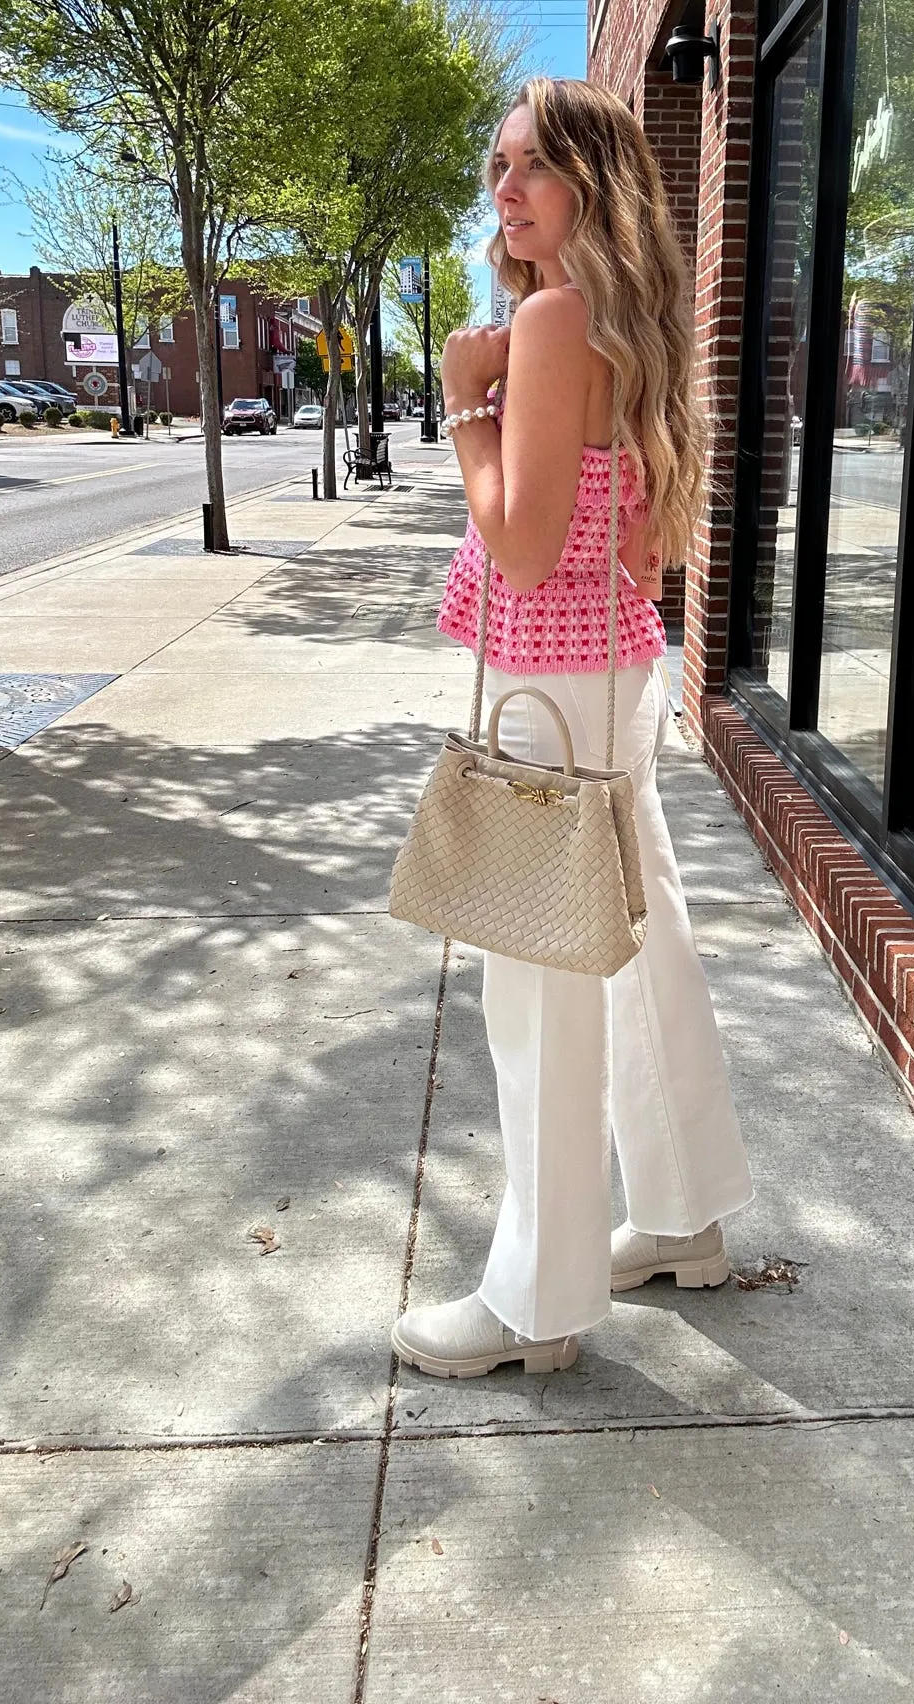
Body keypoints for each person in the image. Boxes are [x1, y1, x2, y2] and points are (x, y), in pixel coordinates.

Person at [390, 77, 754, 1379]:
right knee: (640, 946)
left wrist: (464, 405)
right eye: (497, 168)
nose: (505, 191)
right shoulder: (644, 324)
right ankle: (682, 1213)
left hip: (555, 685)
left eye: (533, 167)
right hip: (616, 677)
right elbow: (631, 542)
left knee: (538, 990)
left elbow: (526, 543)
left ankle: (534, 1303)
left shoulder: (552, 323)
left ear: (593, 182)